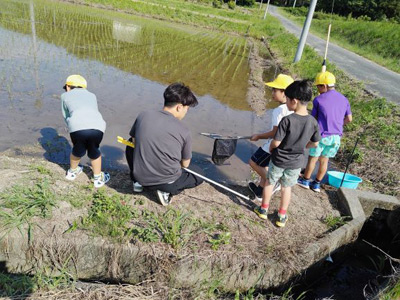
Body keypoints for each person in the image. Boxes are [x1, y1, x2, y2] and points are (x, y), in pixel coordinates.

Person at [254, 80, 321, 227]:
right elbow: (315, 143)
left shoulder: (287, 120)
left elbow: (276, 142)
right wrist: (304, 146)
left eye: (288, 100)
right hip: (296, 162)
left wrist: (271, 148)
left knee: (270, 183)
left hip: (279, 160)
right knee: (287, 188)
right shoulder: (313, 122)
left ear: (294, 101)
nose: (287, 103)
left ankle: (263, 209)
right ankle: (281, 216)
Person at [128, 82, 203, 206]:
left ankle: (137, 183)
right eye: (187, 109)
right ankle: (165, 192)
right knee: (199, 173)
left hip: (140, 175)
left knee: (130, 142)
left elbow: (135, 141)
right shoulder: (184, 130)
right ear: (179, 107)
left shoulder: (144, 115)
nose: (186, 112)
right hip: (165, 182)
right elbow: (185, 164)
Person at [297, 71, 352, 192]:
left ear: (324, 86)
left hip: (321, 135)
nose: (318, 89)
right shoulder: (344, 99)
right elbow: (349, 119)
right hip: (336, 137)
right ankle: (316, 184)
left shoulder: (318, 99)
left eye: (318, 86)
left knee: (313, 158)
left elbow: (313, 119)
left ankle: (305, 180)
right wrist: (337, 125)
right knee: (324, 160)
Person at [248, 74, 294, 201]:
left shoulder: (279, 110)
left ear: (284, 92)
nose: (272, 93)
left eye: (275, 90)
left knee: (253, 162)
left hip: (273, 145)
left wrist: (258, 136)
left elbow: (275, 132)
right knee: (265, 166)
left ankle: (273, 183)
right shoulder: (294, 108)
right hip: (286, 146)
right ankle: (260, 191)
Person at [61, 74, 110, 188]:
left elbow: (66, 115)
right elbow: (94, 111)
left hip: (77, 127)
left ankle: (72, 173)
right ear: (84, 87)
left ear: (68, 86)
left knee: (77, 150)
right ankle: (98, 179)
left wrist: (72, 127)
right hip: (98, 127)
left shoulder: (64, 96)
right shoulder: (92, 95)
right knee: (94, 151)